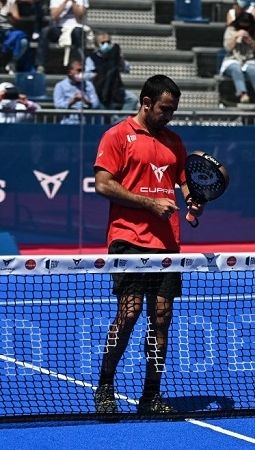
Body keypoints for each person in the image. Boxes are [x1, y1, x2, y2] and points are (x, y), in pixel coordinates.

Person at [92, 74, 204, 415]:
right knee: (129, 313)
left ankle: (151, 394)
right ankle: (106, 385)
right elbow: (103, 184)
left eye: (173, 111)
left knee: (162, 316)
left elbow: (183, 180)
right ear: (145, 103)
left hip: (167, 243)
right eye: (164, 109)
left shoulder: (174, 141)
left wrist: (191, 201)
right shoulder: (117, 136)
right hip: (128, 239)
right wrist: (148, 203)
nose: (168, 116)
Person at [221, 12, 255, 105]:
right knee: (236, 68)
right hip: (232, 59)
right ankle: (243, 94)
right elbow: (227, 48)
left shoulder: (253, 32)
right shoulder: (230, 30)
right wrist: (236, 37)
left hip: (248, 59)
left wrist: (250, 41)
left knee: (253, 69)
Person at [85, 31, 138, 110]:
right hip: (100, 89)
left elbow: (126, 69)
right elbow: (86, 76)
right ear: (97, 45)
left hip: (115, 88)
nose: (106, 44)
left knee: (132, 99)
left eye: (108, 42)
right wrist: (98, 74)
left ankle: (120, 120)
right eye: (103, 43)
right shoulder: (91, 58)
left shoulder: (114, 56)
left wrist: (121, 59)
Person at [36, 0, 89, 73]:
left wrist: (73, 2)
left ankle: (79, 64)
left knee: (78, 33)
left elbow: (79, 16)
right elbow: (54, 16)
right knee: (45, 31)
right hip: (59, 27)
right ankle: (40, 65)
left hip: (76, 27)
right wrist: (65, 2)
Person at [53, 59, 99, 124]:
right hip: (67, 123)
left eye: (83, 71)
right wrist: (73, 101)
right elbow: (57, 105)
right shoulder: (60, 86)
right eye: (79, 70)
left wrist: (85, 100)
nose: (81, 73)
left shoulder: (88, 85)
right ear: (70, 72)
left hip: (86, 124)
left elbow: (96, 104)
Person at [1, 0, 32, 74]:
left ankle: (12, 62)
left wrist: (11, 15)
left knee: (23, 40)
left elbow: (17, 19)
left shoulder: (11, 2)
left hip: (8, 31)